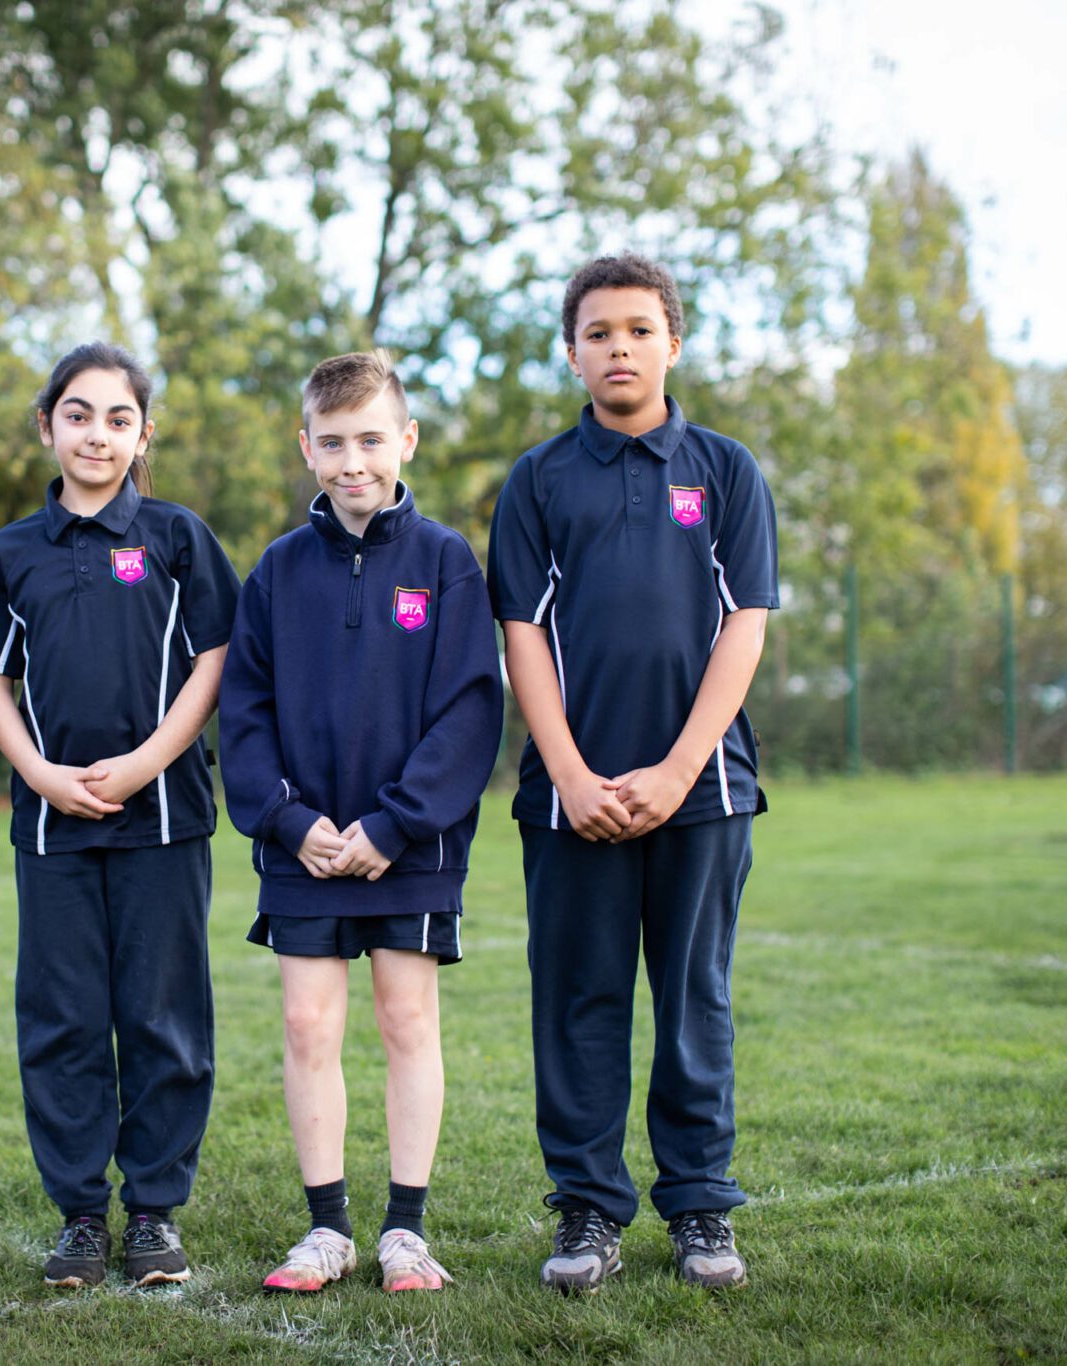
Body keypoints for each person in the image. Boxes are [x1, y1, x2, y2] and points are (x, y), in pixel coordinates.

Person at [488, 253, 778, 1291]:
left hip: (703, 793)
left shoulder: (726, 470)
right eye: (598, 332)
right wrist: (569, 774)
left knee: (695, 999)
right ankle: (586, 1212)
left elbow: (743, 625)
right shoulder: (537, 480)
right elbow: (521, 634)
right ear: (571, 353)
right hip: (571, 802)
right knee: (579, 1002)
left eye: (639, 329)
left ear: (673, 344)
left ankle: (699, 1207)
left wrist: (678, 768)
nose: (619, 347)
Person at [0, 342, 240, 1289]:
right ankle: (80, 1214)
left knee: (163, 1017)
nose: (97, 435)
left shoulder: (177, 537)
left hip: (164, 818)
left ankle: (154, 1210)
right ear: (48, 425)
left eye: (119, 419)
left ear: (143, 435)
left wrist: (147, 762)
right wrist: (39, 772)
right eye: (78, 415)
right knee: (64, 1020)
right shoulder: (12, 552)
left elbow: (215, 661)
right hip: (53, 827)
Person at [220, 350, 503, 1294]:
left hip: (408, 846)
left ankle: (405, 1233)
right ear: (306, 447)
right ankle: (328, 1229)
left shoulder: (446, 563)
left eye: (371, 440)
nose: (354, 462)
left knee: (405, 1018)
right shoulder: (276, 571)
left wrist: (395, 825)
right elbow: (244, 711)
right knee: (307, 1024)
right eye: (334, 442)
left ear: (406, 441)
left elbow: (469, 711)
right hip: (302, 844)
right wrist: (285, 820)